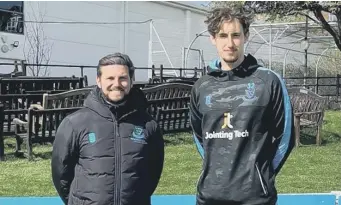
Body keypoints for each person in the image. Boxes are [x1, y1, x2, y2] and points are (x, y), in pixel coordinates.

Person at [189, 7, 295, 205]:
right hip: (209, 197)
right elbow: (199, 136)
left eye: (236, 35)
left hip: (255, 198)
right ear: (213, 38)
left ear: (246, 36)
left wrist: (261, 176)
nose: (230, 43)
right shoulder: (201, 86)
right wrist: (215, 171)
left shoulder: (269, 81)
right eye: (223, 36)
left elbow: (286, 138)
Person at [51, 53, 164, 205]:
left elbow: (153, 172)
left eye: (122, 78)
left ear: (131, 81)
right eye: (110, 78)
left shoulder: (148, 125)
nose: (116, 84)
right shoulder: (75, 123)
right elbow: (61, 175)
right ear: (98, 81)